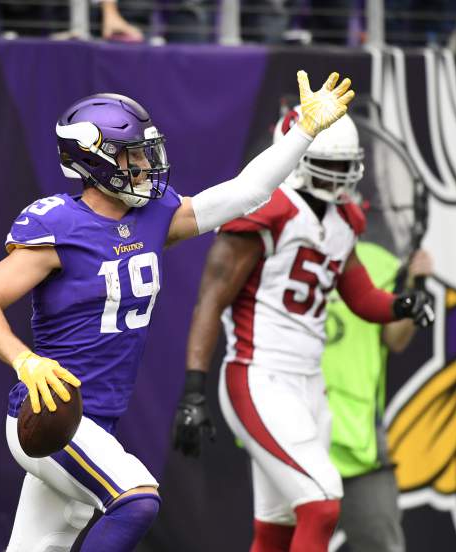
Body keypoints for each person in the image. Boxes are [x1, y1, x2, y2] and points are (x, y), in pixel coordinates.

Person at [0, 71, 355, 552]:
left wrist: (304, 132)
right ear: (95, 159)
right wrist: (26, 361)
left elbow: (244, 193)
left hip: (97, 418)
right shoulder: (61, 226)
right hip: (48, 414)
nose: (147, 166)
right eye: (133, 155)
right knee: (136, 499)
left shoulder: (153, 217)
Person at [171, 109, 435, 552]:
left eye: (346, 165)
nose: (340, 176)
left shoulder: (344, 219)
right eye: (329, 165)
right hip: (260, 376)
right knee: (322, 501)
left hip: (311, 384)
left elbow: (362, 297)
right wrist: (194, 389)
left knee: (277, 526)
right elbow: (211, 301)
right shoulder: (267, 209)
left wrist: (402, 304)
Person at [321, 243, 433, 552]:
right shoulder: (283, 247)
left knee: (381, 543)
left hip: (360, 441)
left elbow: (395, 339)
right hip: (295, 435)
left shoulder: (380, 262)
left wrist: (415, 287)